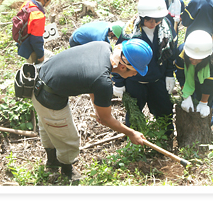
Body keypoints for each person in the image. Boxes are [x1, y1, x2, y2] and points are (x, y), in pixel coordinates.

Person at [32, 39, 153, 181]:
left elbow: (91, 80)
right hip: (49, 97)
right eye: (135, 71)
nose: (135, 75)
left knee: (48, 125)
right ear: (123, 67)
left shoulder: (103, 47)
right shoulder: (103, 82)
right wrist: (131, 133)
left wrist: (97, 108)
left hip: (38, 81)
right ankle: (66, 170)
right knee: (66, 136)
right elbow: (106, 119)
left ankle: (52, 160)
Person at [112, 0, 176, 145]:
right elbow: (120, 57)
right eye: (149, 19)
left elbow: (170, 52)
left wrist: (169, 74)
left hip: (157, 79)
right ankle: (133, 142)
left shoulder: (166, 26)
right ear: (142, 17)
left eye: (157, 19)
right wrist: (119, 82)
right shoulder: (130, 33)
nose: (153, 23)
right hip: (135, 80)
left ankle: (167, 139)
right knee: (134, 113)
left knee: (164, 109)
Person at [175, 30, 213, 125]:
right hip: (189, 77)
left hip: (207, 79)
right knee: (191, 102)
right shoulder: (182, 52)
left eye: (197, 59)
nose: (193, 61)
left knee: (205, 107)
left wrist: (204, 102)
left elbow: (211, 85)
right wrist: (186, 96)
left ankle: (207, 124)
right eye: (190, 58)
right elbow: (180, 75)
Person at [17, 0, 56, 64]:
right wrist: (41, 56)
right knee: (36, 71)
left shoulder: (27, 4)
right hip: (31, 49)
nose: (50, 2)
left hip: (22, 43)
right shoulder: (38, 15)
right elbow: (36, 40)